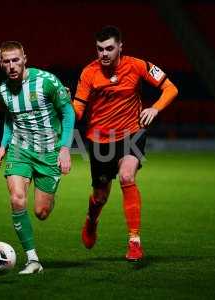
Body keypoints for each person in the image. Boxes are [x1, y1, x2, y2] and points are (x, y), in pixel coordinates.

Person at [73, 26, 178, 261]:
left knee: (127, 176)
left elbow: (171, 88)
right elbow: (78, 108)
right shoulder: (89, 73)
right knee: (100, 196)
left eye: (110, 48)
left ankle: (134, 241)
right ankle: (91, 221)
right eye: (100, 49)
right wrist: (64, 112)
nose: (104, 53)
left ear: (121, 46)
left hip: (132, 132)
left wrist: (155, 108)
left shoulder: (137, 65)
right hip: (99, 139)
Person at [0, 41, 75, 274]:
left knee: (41, 212)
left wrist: (65, 148)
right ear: (1, 63)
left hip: (49, 152)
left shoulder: (46, 81)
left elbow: (68, 111)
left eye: (15, 60)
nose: (11, 66)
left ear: (24, 58)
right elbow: (10, 118)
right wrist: (3, 146)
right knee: (17, 199)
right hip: (20, 150)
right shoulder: (2, 90)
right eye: (6, 61)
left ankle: (48, 193)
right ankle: (32, 260)